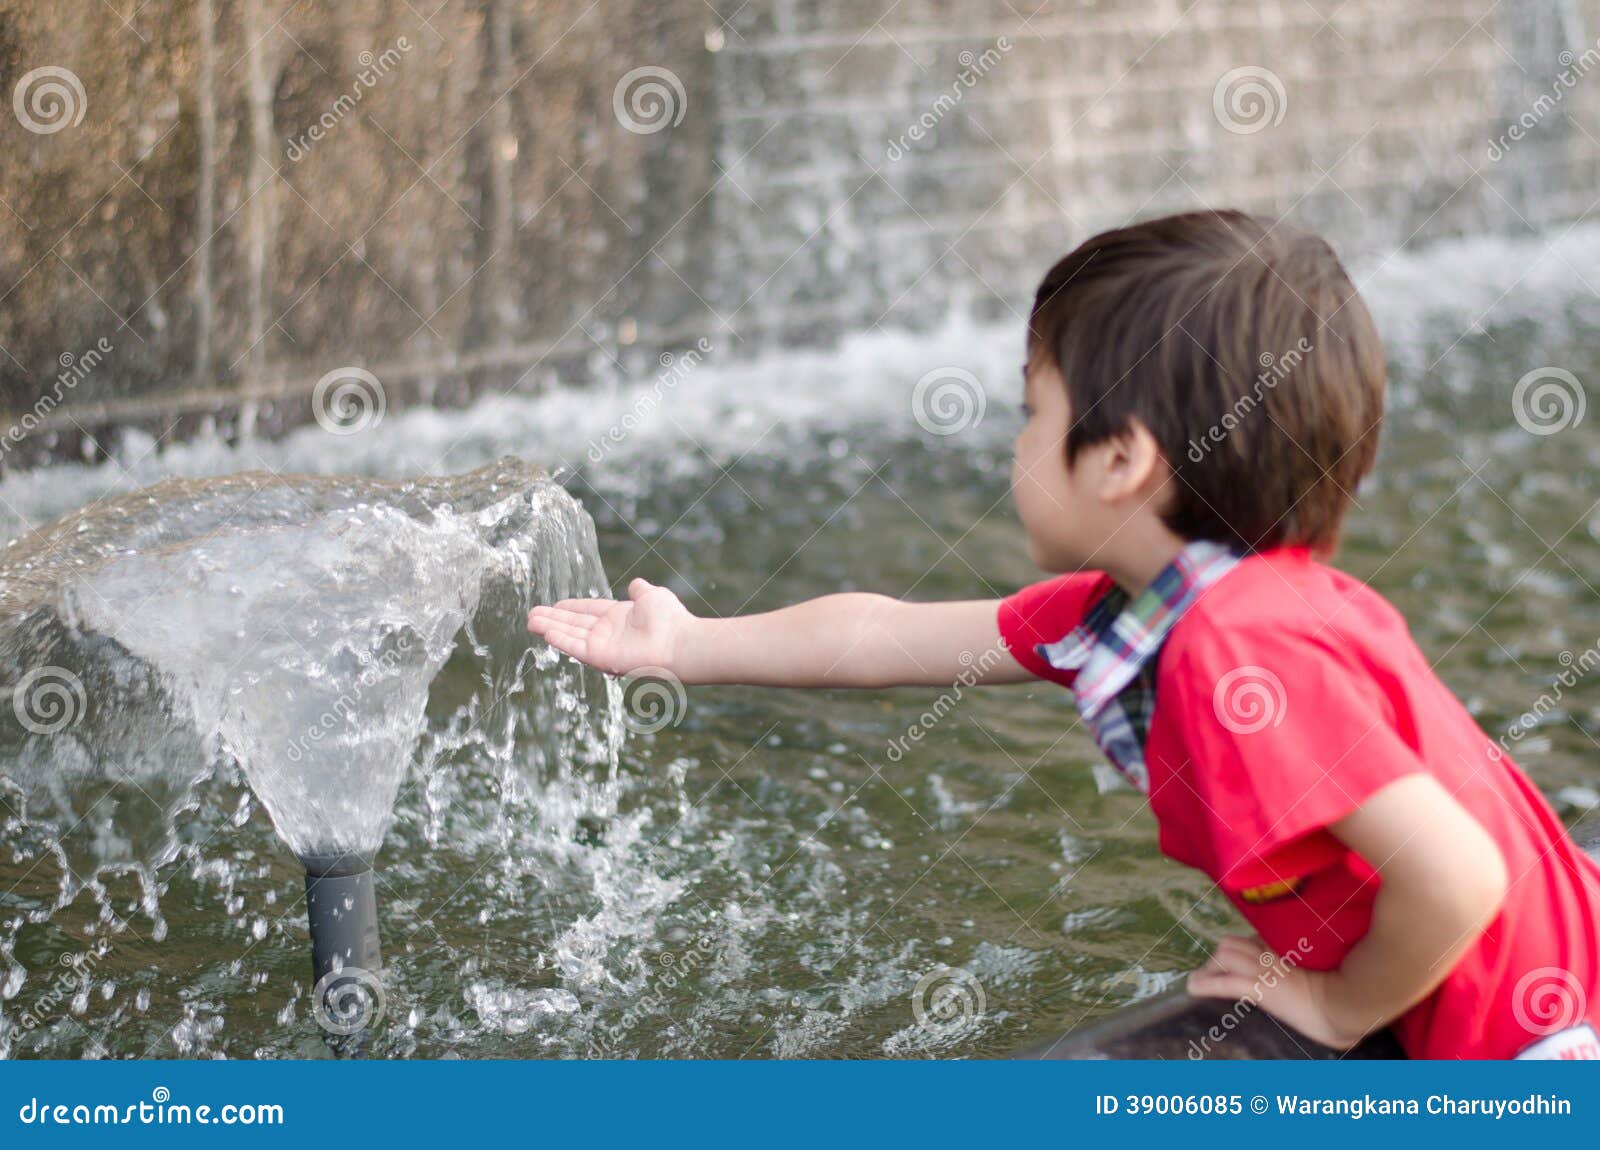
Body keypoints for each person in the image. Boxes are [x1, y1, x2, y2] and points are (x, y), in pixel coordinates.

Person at [528, 210, 1600, 1060]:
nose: (1014, 444)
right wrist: (686, 642)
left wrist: (1331, 1003)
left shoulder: (1245, 642)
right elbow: (886, 636)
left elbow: (1457, 875)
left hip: (1533, 1051)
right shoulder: (1142, 612)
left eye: (1030, 413)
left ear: (1119, 460)